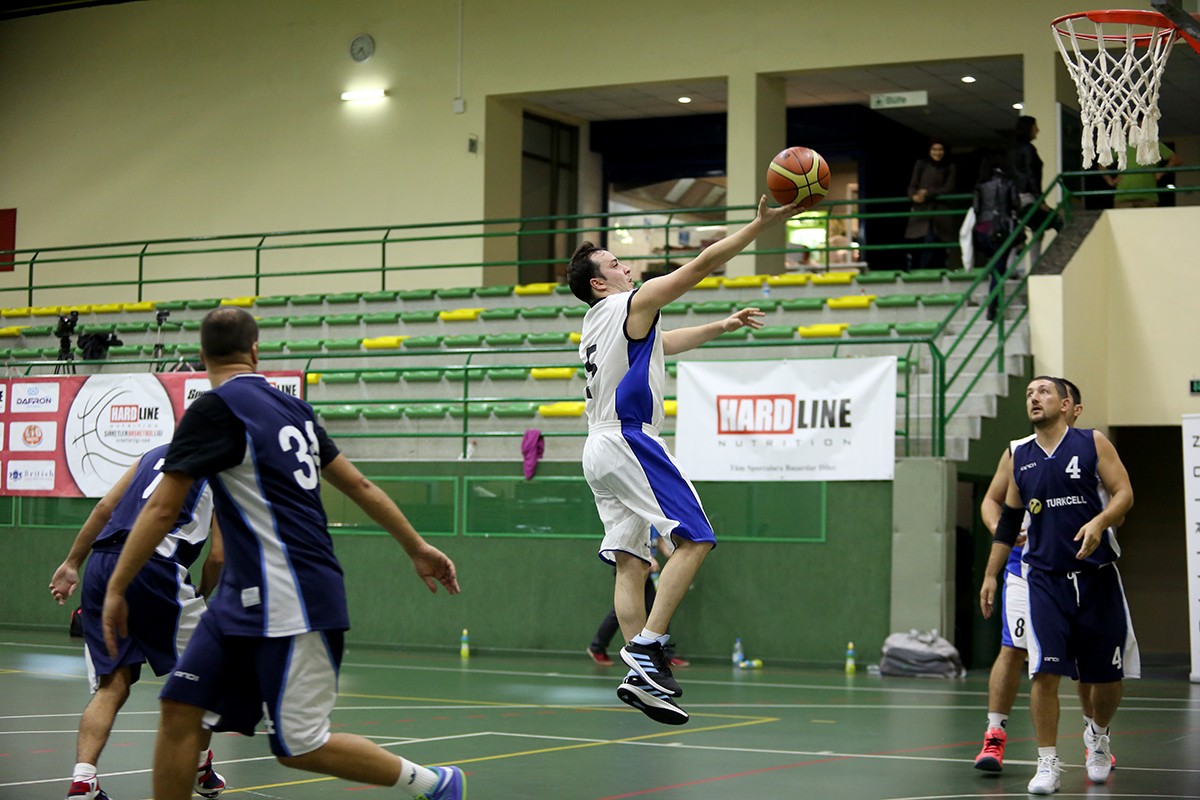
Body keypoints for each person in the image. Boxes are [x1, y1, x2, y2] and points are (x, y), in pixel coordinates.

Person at [99, 307, 466, 800]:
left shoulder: (215, 410)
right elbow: (359, 484)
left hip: (293, 594)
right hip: (239, 600)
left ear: (203, 356)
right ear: (255, 351)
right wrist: (416, 547)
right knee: (180, 709)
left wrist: (117, 586)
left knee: (299, 745)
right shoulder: (296, 409)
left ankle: (434, 784)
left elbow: (163, 509)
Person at [567, 194, 799, 725]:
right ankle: (648, 647)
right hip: (629, 438)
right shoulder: (628, 304)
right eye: (615, 264)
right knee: (695, 538)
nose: (626, 267)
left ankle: (642, 678)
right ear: (599, 283)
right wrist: (759, 225)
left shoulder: (599, 322)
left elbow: (664, 342)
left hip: (597, 448)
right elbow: (701, 265)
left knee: (631, 562)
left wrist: (722, 326)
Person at [49, 443, 226, 800]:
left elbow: (104, 507)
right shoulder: (223, 471)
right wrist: (203, 595)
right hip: (154, 567)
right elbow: (218, 557)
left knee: (112, 684)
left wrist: (72, 563)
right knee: (210, 672)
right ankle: (198, 766)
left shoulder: (151, 455)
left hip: (102, 564)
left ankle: (83, 779)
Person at [987, 376, 1137, 795]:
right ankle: (1047, 762)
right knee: (1044, 671)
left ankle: (1098, 736)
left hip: (1096, 576)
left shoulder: (1092, 442)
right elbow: (1008, 522)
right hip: (1044, 579)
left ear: (1067, 404)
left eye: (1043, 392)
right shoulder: (1020, 455)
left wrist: (1100, 521)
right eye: (1029, 394)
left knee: (1105, 677)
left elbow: (1124, 493)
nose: (1034, 398)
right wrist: (990, 574)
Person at [588, 530, 688, 668]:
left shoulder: (657, 521)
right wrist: (649, 558)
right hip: (631, 564)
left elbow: (660, 543)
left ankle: (664, 654)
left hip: (646, 567)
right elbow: (630, 539)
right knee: (624, 611)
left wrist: (681, 558)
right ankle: (597, 647)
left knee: (658, 607)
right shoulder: (640, 517)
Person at [971, 152, 1021, 321]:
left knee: (995, 265)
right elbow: (1015, 204)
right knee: (999, 269)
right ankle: (993, 305)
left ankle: (993, 302)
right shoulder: (1009, 182)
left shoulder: (980, 185)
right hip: (1001, 229)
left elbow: (976, 208)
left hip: (982, 229)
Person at [904, 139, 958, 270]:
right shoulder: (921, 164)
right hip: (921, 211)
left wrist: (928, 193)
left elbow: (949, 188)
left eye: (940, 150)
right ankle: (918, 270)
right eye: (934, 149)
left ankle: (933, 269)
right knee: (920, 242)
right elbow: (912, 185)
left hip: (940, 212)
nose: (937, 153)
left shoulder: (950, 167)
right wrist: (914, 196)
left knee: (937, 242)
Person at [1008, 117, 1064, 238]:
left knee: (1037, 228)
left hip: (1015, 196)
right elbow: (1031, 176)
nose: (1038, 130)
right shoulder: (1028, 149)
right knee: (1057, 220)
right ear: (1028, 129)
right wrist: (1040, 200)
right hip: (1028, 196)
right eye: (1035, 127)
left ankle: (1034, 252)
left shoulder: (1012, 149)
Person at [1104, 141, 1183, 208]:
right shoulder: (1122, 144)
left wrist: (1160, 173)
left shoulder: (1154, 143)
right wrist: (1110, 181)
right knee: (1121, 221)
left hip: (1147, 196)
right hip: (1123, 196)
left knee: (1148, 221)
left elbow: (1176, 160)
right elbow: (1102, 164)